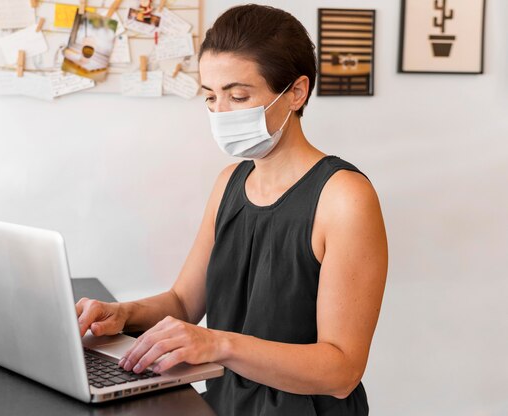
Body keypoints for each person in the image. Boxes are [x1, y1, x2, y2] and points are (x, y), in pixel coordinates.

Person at [76, 4, 388, 415]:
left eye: (238, 95)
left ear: (296, 92)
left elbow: (341, 370)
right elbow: (185, 304)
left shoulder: (343, 197)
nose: (221, 113)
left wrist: (217, 344)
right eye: (211, 96)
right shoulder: (229, 182)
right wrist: (122, 314)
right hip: (223, 404)